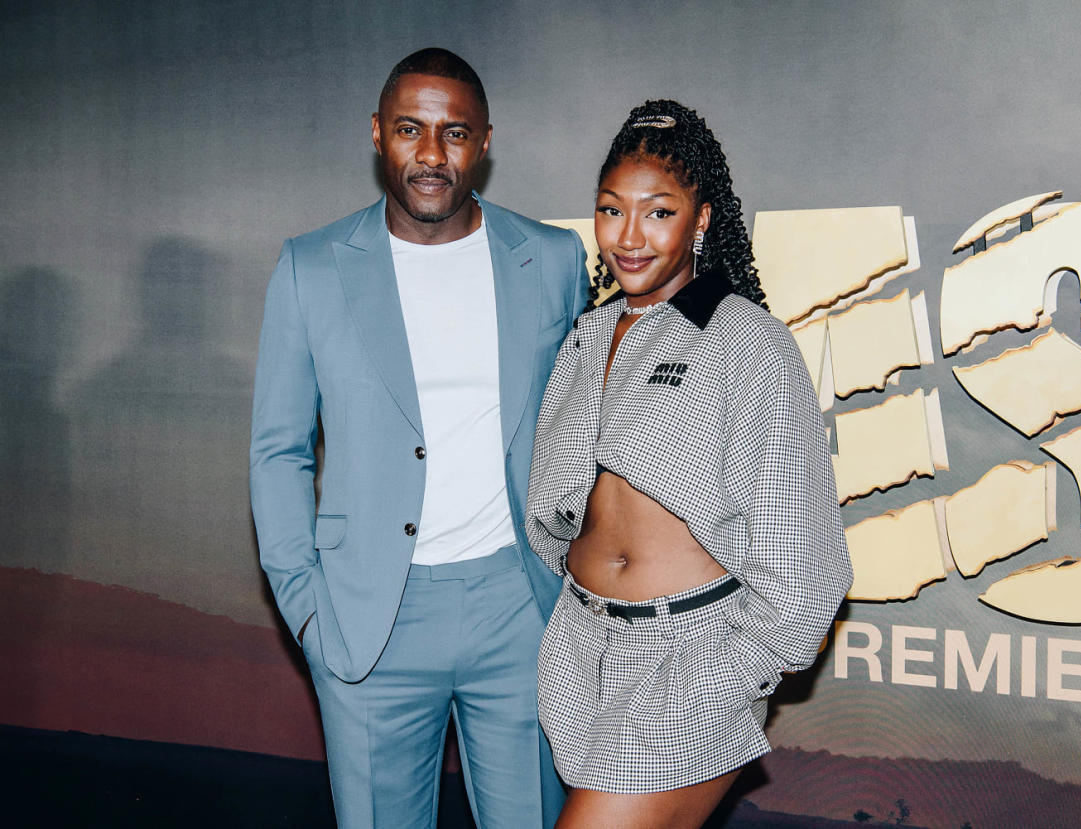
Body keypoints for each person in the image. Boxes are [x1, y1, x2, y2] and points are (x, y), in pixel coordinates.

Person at [250, 48, 587, 828]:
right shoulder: (310, 268)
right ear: (377, 134)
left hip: (521, 608)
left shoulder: (553, 258)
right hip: (372, 618)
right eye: (410, 129)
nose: (432, 155)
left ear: (485, 142)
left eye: (454, 133)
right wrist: (307, 609)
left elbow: (583, 430)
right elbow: (278, 450)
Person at [526, 100, 852, 828]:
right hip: (580, 652)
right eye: (611, 211)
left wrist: (727, 673)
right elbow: (559, 500)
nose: (629, 237)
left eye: (659, 212)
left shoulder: (748, 343)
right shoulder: (590, 332)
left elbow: (805, 568)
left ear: (701, 220)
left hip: (687, 661)